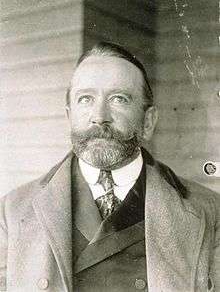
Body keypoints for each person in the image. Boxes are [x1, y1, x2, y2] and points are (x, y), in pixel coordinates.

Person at [0, 42, 219, 292]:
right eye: (86, 99)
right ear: (69, 117)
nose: (99, 115)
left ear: (148, 121)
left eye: (118, 99)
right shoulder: (11, 212)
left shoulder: (210, 211)